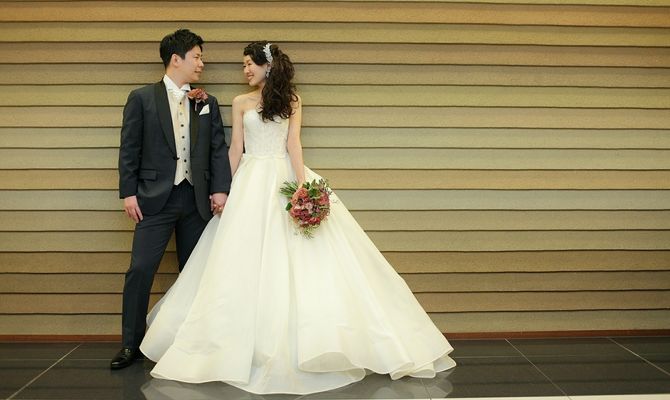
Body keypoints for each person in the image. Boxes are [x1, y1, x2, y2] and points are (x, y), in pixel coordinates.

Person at [139, 41, 455, 394]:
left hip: (283, 176)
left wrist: (303, 188)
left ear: (267, 66)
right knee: (239, 257)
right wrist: (223, 190)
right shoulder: (241, 102)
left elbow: (294, 145)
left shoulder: (292, 101)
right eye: (243, 65)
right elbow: (236, 148)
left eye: (249, 64)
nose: (245, 70)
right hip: (250, 181)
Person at [111, 29, 232, 370]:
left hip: (196, 200)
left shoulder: (206, 102)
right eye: (197, 57)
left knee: (195, 273)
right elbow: (129, 148)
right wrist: (128, 192)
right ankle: (131, 344)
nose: (201, 63)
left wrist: (220, 189)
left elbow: (217, 149)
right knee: (140, 269)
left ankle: (192, 343)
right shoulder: (142, 98)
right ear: (176, 59)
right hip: (154, 200)